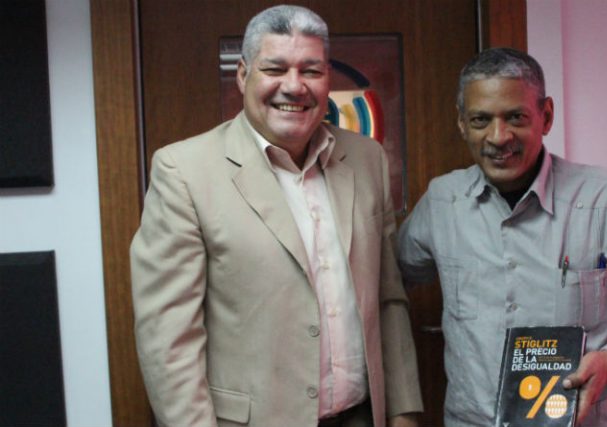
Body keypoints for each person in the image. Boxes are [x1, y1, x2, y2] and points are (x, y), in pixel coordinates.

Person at [130, 5, 422, 427]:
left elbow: (388, 298)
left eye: (311, 70)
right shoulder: (184, 172)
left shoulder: (366, 159)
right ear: (243, 75)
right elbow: (168, 339)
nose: (294, 86)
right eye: (275, 68)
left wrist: (403, 411)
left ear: (327, 78)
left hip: (361, 416)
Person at [397, 47, 607, 427]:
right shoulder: (443, 202)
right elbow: (388, 284)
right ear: (462, 123)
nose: (498, 137)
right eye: (481, 120)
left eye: (516, 117)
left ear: (546, 116)